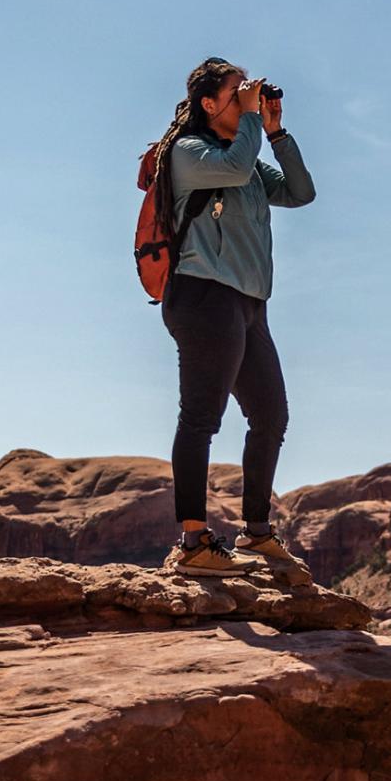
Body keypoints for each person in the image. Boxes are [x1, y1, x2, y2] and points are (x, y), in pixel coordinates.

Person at [152, 57, 316, 585]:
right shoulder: (190, 153)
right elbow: (237, 169)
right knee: (201, 417)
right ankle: (193, 540)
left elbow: (300, 192)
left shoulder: (244, 155)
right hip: (203, 296)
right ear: (208, 105)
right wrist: (249, 121)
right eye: (235, 90)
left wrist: (275, 130)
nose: (247, 94)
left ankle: (256, 530)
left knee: (271, 416)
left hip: (248, 303)